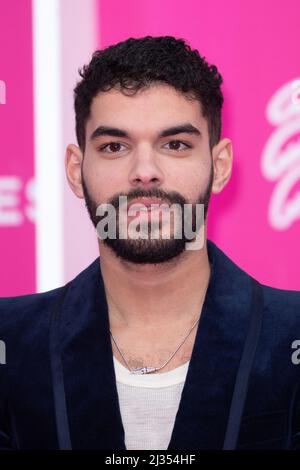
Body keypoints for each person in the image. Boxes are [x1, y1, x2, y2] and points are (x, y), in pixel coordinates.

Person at [0, 36, 300, 451]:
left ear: (219, 166)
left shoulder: (292, 333)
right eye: (114, 147)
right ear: (76, 169)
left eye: (175, 145)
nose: (145, 172)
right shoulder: (9, 342)